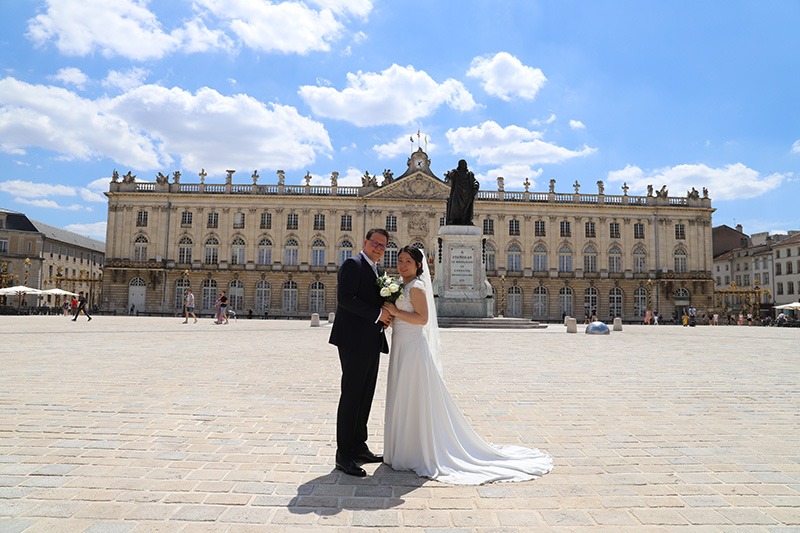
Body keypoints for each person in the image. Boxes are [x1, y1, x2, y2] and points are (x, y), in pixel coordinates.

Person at [381, 245, 552, 485]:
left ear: (419, 265)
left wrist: (395, 312)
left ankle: (413, 450)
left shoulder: (417, 287)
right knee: (403, 395)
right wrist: (389, 316)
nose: (402, 264)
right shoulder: (401, 286)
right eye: (399, 260)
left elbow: (423, 319)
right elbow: (399, 316)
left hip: (412, 349)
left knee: (412, 395)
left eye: (407, 261)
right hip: (401, 345)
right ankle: (403, 448)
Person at [328, 228, 392, 477]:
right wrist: (377, 314)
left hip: (371, 339)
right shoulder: (352, 264)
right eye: (375, 243)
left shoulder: (377, 270)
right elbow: (345, 298)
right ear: (365, 242)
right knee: (352, 396)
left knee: (365, 395)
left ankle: (358, 446)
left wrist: (384, 317)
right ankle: (343, 455)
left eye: (383, 246)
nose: (378, 248)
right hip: (353, 340)